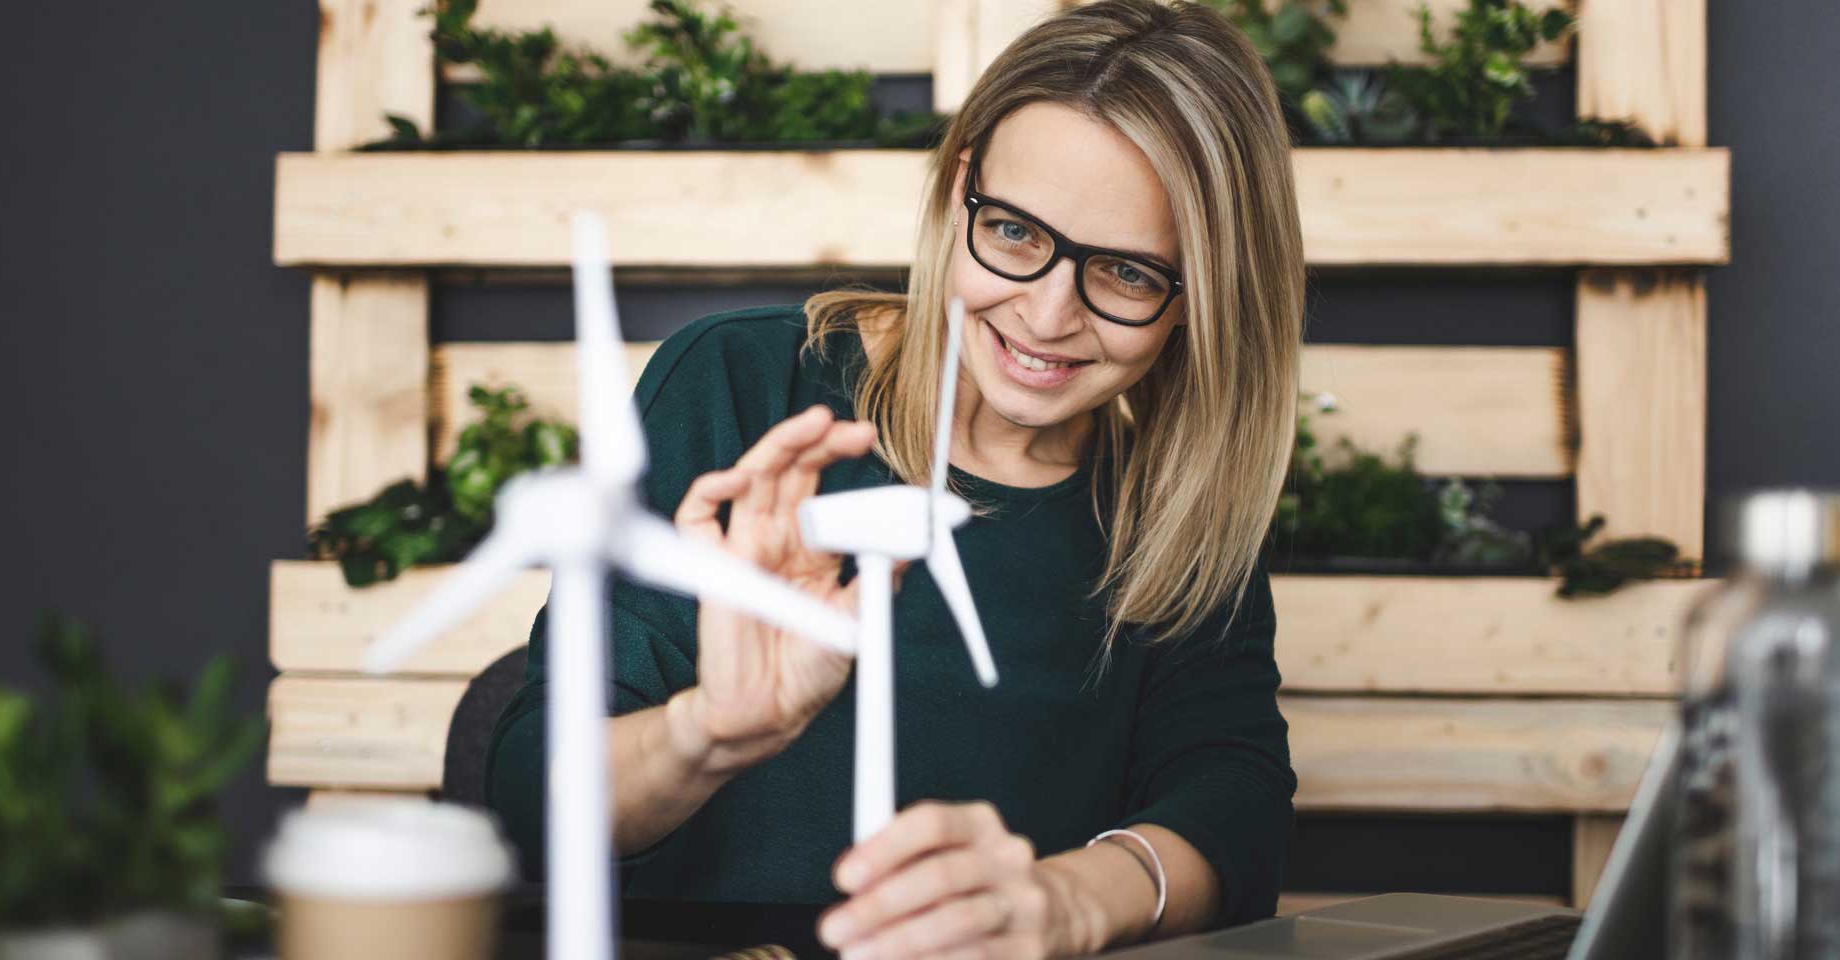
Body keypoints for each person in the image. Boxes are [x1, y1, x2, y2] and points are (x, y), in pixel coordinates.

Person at [485, 1, 1306, 956]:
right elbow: (527, 800)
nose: (1045, 314)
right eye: (1013, 231)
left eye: (1126, 274)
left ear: (1201, 294)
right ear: (961, 191)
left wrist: (1064, 905)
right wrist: (704, 733)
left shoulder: (1175, 503)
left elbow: (1233, 807)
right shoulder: (741, 391)